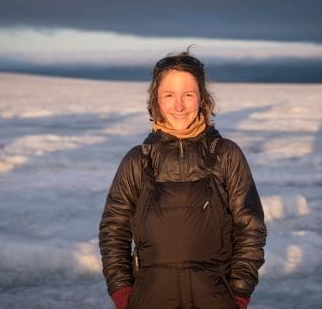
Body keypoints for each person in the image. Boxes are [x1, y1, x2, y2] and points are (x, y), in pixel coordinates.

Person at [98, 49, 267, 309]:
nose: (179, 106)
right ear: (156, 100)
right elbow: (114, 230)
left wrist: (240, 292)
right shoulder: (138, 160)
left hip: (217, 299)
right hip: (150, 298)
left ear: (202, 99)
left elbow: (250, 227)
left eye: (188, 95)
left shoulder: (225, 154)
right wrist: (122, 292)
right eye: (169, 95)